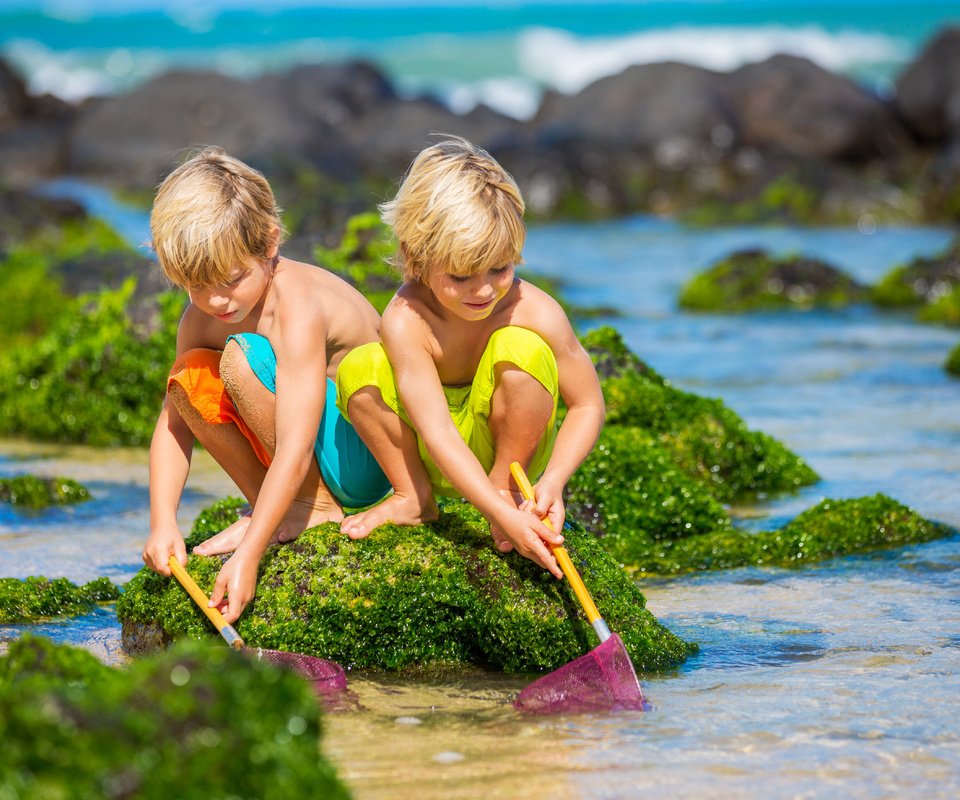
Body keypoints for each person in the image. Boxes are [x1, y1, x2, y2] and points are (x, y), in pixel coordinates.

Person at [141, 147, 390, 623]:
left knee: (240, 360)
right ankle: (276, 505)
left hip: (366, 452)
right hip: (310, 451)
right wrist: (162, 522)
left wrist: (249, 556)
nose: (214, 300)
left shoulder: (296, 305)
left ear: (270, 241)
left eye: (231, 279)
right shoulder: (202, 317)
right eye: (195, 285)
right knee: (192, 374)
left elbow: (296, 446)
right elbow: (174, 426)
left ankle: (310, 508)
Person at [336, 137, 605, 577]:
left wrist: (554, 479)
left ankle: (503, 488)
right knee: (360, 366)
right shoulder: (408, 320)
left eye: (499, 269)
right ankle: (413, 497)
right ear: (416, 260)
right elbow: (438, 432)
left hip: (512, 455)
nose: (483, 291)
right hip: (434, 452)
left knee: (522, 348)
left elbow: (588, 403)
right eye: (460, 276)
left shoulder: (533, 309)